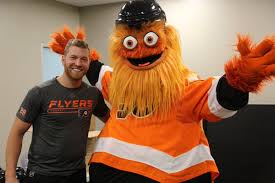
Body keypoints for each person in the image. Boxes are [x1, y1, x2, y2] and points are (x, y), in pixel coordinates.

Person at [50, 1, 275, 182]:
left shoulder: (181, 88)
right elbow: (99, 73)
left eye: (149, 39)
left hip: (167, 173)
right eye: (130, 42)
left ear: (166, 39)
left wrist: (239, 80)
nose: (139, 49)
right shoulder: (120, 83)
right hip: (109, 166)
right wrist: (80, 59)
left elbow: (215, 97)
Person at [5, 38, 110, 183]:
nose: (78, 63)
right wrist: (10, 176)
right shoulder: (39, 92)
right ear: (63, 59)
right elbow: (17, 132)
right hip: (42, 175)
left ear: (89, 62)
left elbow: (112, 121)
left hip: (77, 174)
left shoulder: (92, 94)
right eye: (73, 57)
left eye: (83, 59)